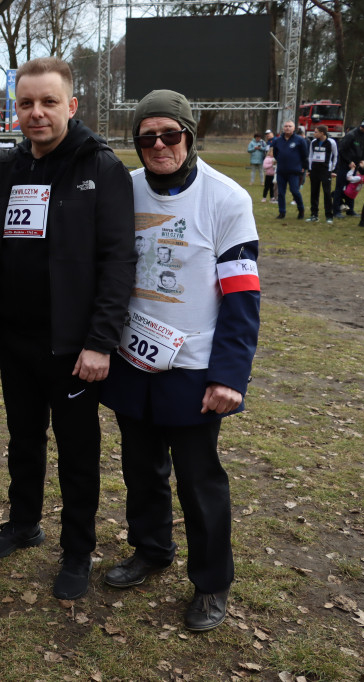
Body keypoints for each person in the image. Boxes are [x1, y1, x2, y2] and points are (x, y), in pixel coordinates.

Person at [101, 90, 260, 632]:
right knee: (140, 469)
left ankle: (212, 583)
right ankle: (151, 550)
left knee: (199, 480)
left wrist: (229, 376)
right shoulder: (125, 190)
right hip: (132, 358)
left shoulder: (226, 198)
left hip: (193, 367)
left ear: (190, 136)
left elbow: (241, 295)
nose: (159, 146)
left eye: (170, 134)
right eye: (147, 138)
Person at [0, 57, 136, 600]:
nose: (36, 113)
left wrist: (99, 342)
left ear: (71, 106)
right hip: (15, 338)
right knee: (22, 440)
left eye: (48, 102)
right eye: (26, 103)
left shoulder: (101, 168)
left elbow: (118, 262)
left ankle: (77, 550)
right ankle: (24, 524)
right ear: (15, 109)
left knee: (77, 451)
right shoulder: (8, 166)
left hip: (72, 347)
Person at [332, 118, 364, 219]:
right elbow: (341, 150)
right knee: (340, 187)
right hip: (344, 166)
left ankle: (350, 210)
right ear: (363, 126)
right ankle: (336, 210)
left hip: (356, 167)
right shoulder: (351, 135)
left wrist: (362, 160)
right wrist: (349, 161)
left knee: (352, 188)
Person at [268, 120, 307, 220]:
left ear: (294, 128)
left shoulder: (299, 140)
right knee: (281, 192)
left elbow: (304, 155)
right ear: (283, 128)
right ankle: (282, 212)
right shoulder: (277, 140)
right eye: (286, 126)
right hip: (281, 171)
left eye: (290, 126)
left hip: (294, 171)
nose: (287, 128)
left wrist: (303, 167)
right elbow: (275, 153)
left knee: (295, 191)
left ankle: (301, 210)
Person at [306, 125, 338, 224]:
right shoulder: (313, 142)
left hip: (325, 170)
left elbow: (335, 156)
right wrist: (310, 169)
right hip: (315, 170)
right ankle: (314, 215)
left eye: (316, 132)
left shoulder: (331, 142)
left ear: (322, 133)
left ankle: (329, 216)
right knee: (314, 192)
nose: (314, 134)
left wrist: (332, 169)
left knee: (327, 193)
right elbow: (310, 155)